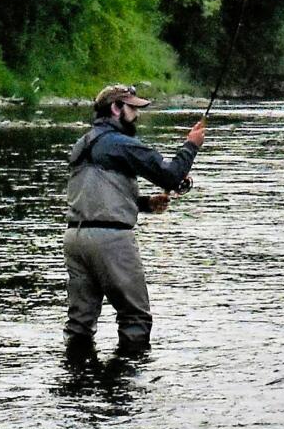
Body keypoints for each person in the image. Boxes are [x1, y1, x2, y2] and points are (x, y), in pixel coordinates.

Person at [64, 83, 206, 353]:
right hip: (111, 242)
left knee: (79, 323)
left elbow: (93, 193)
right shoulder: (120, 143)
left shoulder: (82, 144)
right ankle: (127, 387)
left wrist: (145, 204)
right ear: (116, 108)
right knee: (135, 317)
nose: (137, 115)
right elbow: (170, 175)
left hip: (75, 238)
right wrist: (191, 145)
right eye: (133, 108)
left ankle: (76, 385)